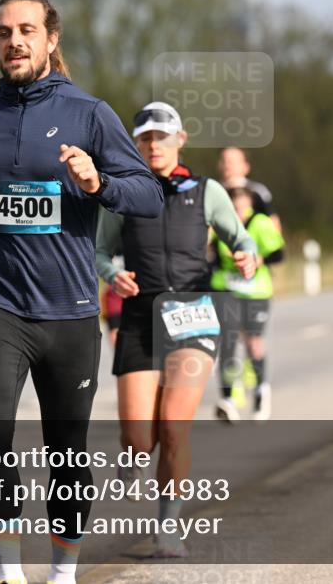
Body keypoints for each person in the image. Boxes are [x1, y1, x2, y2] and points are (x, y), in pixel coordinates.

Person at [0, 0, 163, 584]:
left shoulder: (90, 113)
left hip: (70, 312)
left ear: (50, 38)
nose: (14, 41)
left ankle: (63, 574)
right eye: (3, 32)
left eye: (27, 30)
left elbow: (147, 194)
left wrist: (97, 183)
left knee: (66, 457)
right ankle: (10, 575)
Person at [95, 101, 256, 558]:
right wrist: (113, 275)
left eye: (161, 137)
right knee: (138, 438)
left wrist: (246, 255)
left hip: (192, 315)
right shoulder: (123, 195)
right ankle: (133, 460)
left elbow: (240, 237)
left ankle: (167, 527)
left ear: (179, 140)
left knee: (173, 427)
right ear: (135, 145)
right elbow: (98, 252)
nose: (154, 146)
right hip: (140, 317)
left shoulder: (206, 191)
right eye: (145, 138)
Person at [212, 187, 285, 422]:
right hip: (227, 289)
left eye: (242, 206)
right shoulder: (222, 223)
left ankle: (261, 390)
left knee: (253, 342)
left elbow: (279, 253)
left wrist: (260, 259)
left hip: (256, 292)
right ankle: (228, 400)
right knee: (228, 343)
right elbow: (212, 256)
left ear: (250, 205)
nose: (239, 210)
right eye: (234, 206)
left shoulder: (261, 223)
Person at [217, 146, 279, 230]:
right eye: (223, 160)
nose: (227, 165)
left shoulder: (257, 191)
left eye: (232, 161)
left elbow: (273, 221)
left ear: (246, 167)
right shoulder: (212, 191)